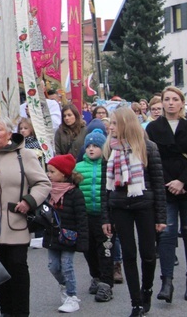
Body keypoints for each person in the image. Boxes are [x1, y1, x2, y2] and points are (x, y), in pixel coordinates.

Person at [0, 116, 51, 317]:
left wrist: (29, 201)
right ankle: (6, 312)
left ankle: (21, 313)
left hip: (17, 223)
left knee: (17, 268)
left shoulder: (25, 155)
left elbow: (43, 183)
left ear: (9, 133)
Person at [102, 107, 166, 316]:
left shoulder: (148, 148)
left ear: (126, 124)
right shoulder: (109, 149)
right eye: (110, 124)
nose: (110, 128)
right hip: (120, 206)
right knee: (129, 255)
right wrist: (106, 218)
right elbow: (106, 188)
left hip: (144, 206)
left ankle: (146, 289)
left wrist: (161, 217)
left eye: (114, 124)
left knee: (148, 255)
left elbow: (158, 184)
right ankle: (136, 303)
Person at [145, 86, 187, 302]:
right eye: (167, 99)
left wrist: (182, 181)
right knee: (166, 234)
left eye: (175, 99)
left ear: (182, 103)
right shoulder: (154, 128)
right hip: (166, 188)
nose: (171, 103)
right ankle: (167, 281)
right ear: (161, 103)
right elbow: (152, 159)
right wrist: (168, 182)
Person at [43, 154, 88, 313]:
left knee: (67, 266)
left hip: (69, 236)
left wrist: (83, 240)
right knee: (53, 266)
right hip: (52, 235)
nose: (49, 174)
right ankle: (64, 285)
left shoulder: (75, 193)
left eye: (52, 172)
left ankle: (72, 296)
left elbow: (82, 218)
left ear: (63, 173)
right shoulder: (48, 191)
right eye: (48, 171)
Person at [75, 129, 115, 303]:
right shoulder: (78, 167)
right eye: (88, 146)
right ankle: (96, 276)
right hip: (85, 216)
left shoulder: (107, 165)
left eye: (96, 146)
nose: (91, 149)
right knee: (88, 248)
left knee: (105, 249)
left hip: (104, 216)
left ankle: (106, 282)